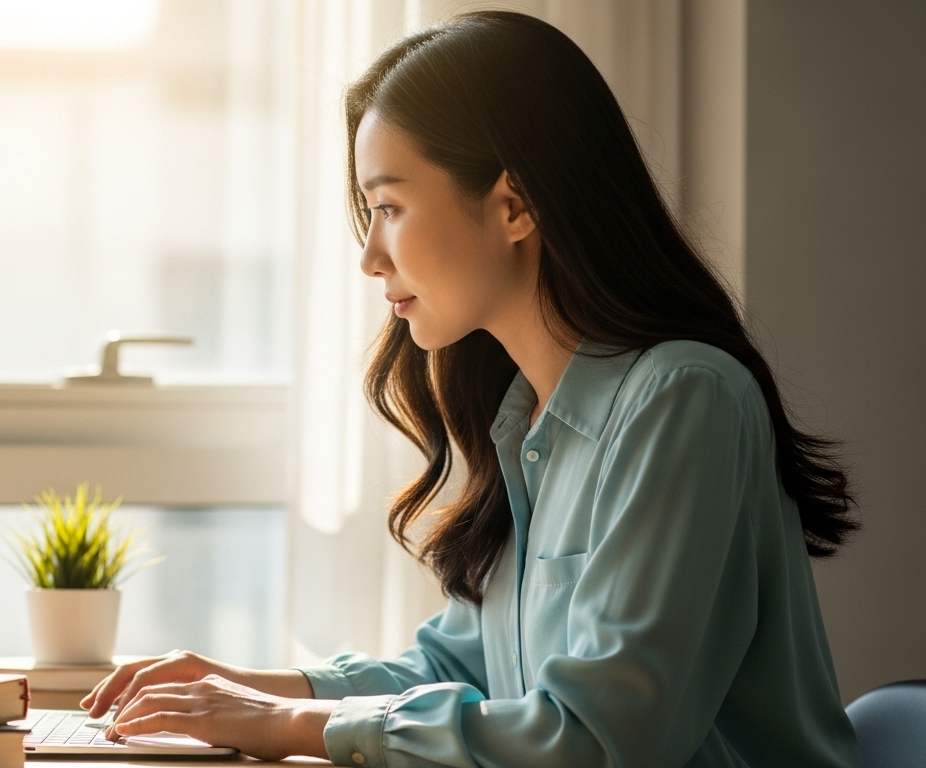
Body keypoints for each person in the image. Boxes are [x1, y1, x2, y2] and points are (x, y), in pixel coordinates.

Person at [82, 11, 861, 767]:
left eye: (388, 206)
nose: (370, 258)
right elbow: (462, 668)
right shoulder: (527, 418)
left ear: (514, 205)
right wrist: (240, 689)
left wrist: (286, 722)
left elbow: (598, 740)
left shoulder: (684, 399)